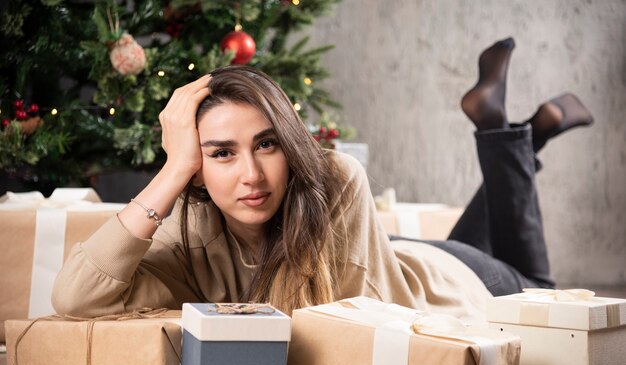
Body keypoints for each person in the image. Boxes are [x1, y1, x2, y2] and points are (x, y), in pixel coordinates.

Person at [52, 37, 593, 322]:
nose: (252, 174)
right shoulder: (190, 220)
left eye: (267, 143)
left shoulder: (335, 177)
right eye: (220, 153)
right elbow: (76, 296)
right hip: (390, 256)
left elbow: (321, 334)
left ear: (289, 142)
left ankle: (516, 135)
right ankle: (515, 136)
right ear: (196, 169)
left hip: (453, 282)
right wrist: (173, 169)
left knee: (541, 289)